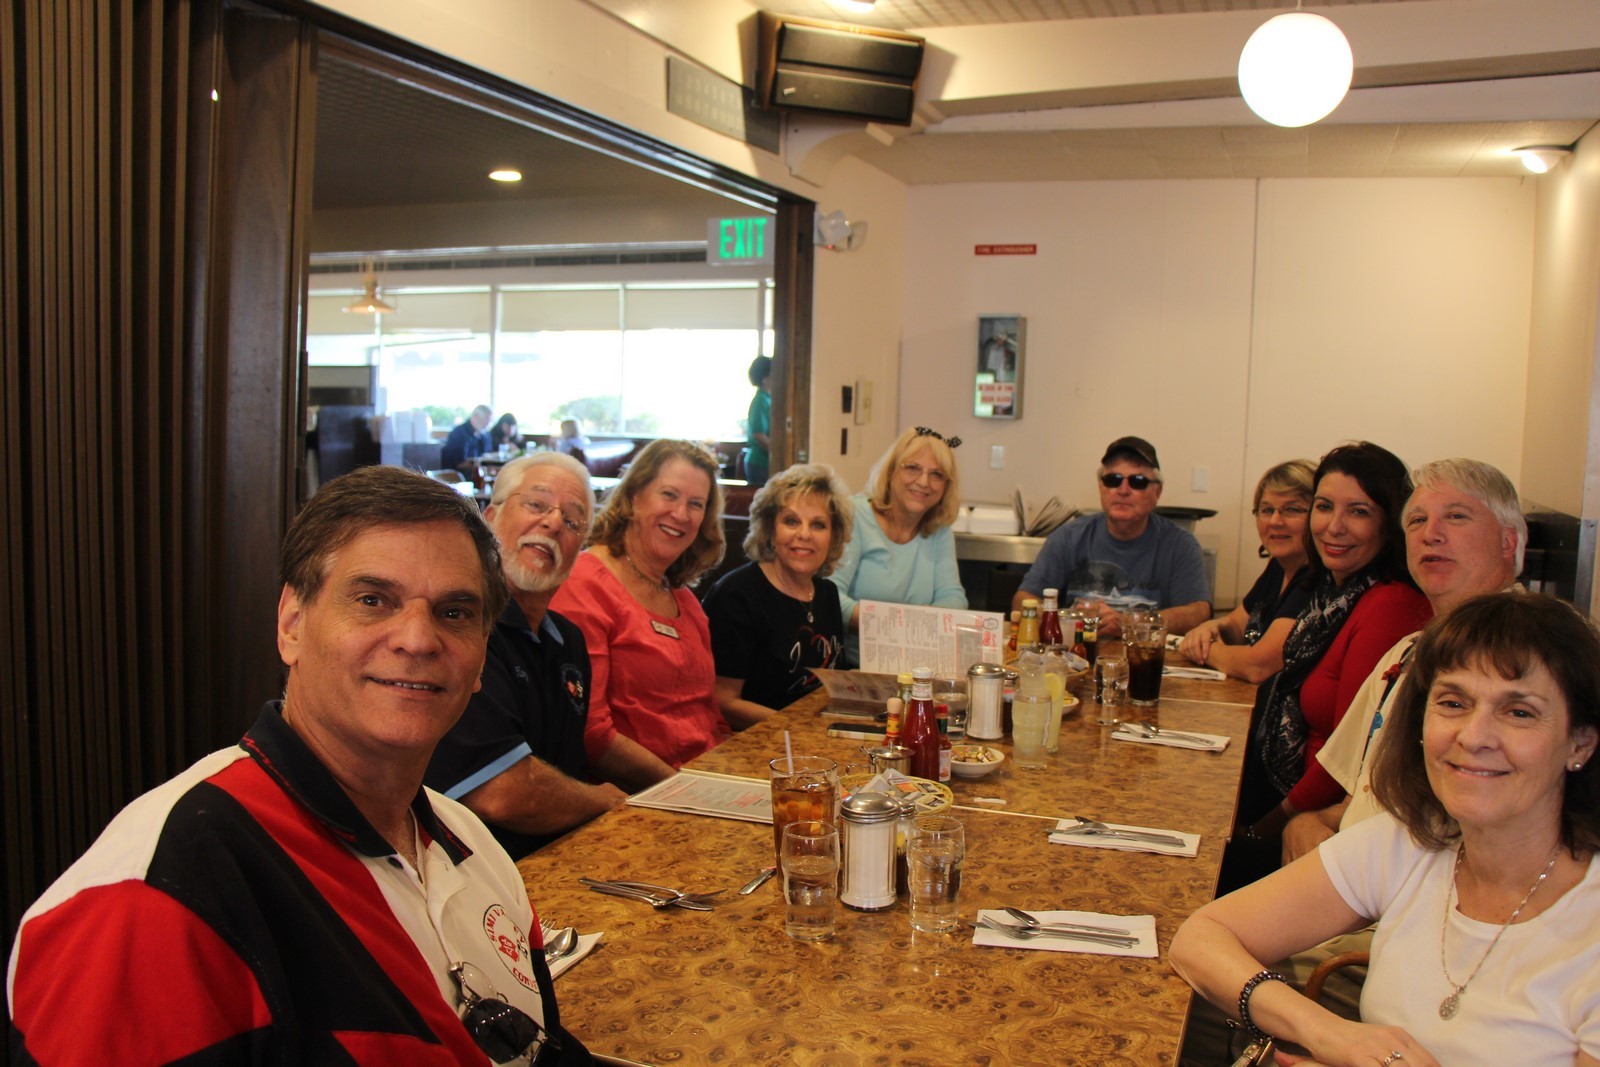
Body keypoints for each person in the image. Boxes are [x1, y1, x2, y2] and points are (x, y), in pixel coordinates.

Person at [6, 466, 593, 1064]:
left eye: (454, 613)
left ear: (480, 657)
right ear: (292, 623)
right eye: (372, 600)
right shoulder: (158, 891)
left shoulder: (472, 846)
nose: (417, 639)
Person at [1171, 593, 1600, 1067]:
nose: (1474, 736)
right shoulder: (1415, 840)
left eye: (1518, 712)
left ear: (1580, 743)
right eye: (1453, 702)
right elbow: (1199, 937)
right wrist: (1326, 1033)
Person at [1283, 459, 1527, 863]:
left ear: (1509, 541)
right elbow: (1367, 799)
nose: (1431, 534)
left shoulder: (1529, 656)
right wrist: (1310, 823)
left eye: (1456, 517)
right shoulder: (1408, 651)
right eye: (1416, 521)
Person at [1229, 442, 1432, 885]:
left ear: (1389, 522)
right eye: (1324, 507)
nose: (1334, 527)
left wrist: (1263, 829)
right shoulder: (1334, 593)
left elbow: (1347, 753)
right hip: (1284, 797)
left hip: (1315, 823)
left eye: (1358, 511)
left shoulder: (1389, 606)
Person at [426, 453, 627, 858]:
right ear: (489, 517)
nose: (553, 523)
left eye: (572, 521)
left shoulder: (568, 640)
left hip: (573, 857)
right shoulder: (459, 627)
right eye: (535, 505)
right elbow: (502, 793)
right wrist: (605, 799)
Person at [549, 439, 730, 789]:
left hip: (707, 781)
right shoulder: (584, 585)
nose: (681, 514)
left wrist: (734, 777)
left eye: (696, 504)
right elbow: (593, 733)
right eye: (669, 495)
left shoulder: (686, 601)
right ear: (634, 497)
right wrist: (687, 789)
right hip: (640, 796)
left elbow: (710, 715)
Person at [1014, 435, 1211, 638]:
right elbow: (1023, 599)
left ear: (1157, 492)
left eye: (1137, 482)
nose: (1123, 490)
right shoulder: (1068, 537)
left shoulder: (1180, 545)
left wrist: (1129, 622)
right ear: (1101, 487)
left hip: (1145, 661)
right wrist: (1068, 617)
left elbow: (1198, 613)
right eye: (1113, 480)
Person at [703, 463, 851, 728]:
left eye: (818, 525)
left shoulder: (827, 593)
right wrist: (798, 727)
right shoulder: (736, 596)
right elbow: (722, 701)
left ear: (833, 536)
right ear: (771, 529)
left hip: (814, 738)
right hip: (750, 743)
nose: (804, 535)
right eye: (791, 521)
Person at [828, 426, 967, 668]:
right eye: (913, 468)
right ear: (891, 471)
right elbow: (830, 595)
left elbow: (954, 598)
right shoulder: (856, 515)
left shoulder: (940, 529)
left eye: (936, 474)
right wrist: (904, 624)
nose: (923, 482)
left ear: (946, 486)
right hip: (854, 666)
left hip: (920, 667)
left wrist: (904, 624)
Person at [1179, 460, 1316, 683]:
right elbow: (1234, 625)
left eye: (1291, 510)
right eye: (1266, 510)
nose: (1275, 521)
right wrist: (1209, 628)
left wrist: (1205, 650)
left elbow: (1259, 666)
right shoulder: (1278, 567)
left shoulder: (1315, 578)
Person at [744, 355, 773, 487]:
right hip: (759, 462)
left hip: (763, 462)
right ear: (765, 378)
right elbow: (758, 434)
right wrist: (775, 452)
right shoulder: (761, 400)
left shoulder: (767, 398)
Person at [442, 403, 493, 469]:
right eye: (487, 419)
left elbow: (488, 455)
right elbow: (459, 463)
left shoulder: (484, 434)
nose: (488, 423)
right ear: (476, 416)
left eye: (490, 421)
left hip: (479, 471)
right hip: (457, 475)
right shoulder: (459, 433)